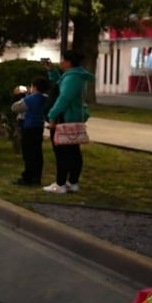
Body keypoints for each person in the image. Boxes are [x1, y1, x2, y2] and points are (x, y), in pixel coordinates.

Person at [44, 49, 94, 194]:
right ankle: (72, 182)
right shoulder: (73, 75)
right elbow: (60, 85)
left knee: (63, 153)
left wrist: (52, 115)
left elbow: (64, 98)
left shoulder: (72, 77)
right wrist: (52, 72)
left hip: (65, 118)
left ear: (68, 62)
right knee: (73, 152)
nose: (60, 62)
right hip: (72, 117)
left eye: (62, 60)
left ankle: (61, 184)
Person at [11, 77, 50, 186]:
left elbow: (15, 108)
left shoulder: (31, 99)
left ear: (35, 87)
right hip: (39, 127)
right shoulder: (45, 98)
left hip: (28, 127)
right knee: (37, 153)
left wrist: (18, 96)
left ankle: (27, 177)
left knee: (28, 153)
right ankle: (37, 178)